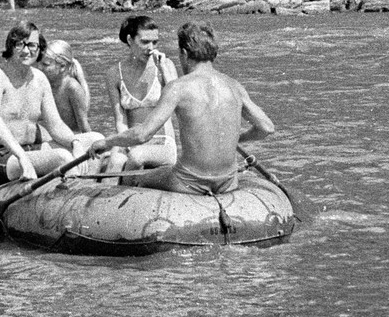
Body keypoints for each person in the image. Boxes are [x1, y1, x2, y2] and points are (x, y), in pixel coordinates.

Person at [91, 21, 273, 195]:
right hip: (227, 183)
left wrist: (106, 143)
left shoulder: (178, 87)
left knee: (141, 178)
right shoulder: (234, 86)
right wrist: (235, 140)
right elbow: (266, 128)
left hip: (188, 182)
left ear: (184, 54)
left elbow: (142, 135)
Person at [0, 21, 100, 187]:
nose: (26, 51)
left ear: (39, 49)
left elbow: (55, 125)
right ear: (10, 47)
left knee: (95, 140)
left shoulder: (40, 78)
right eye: (20, 44)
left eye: (32, 45)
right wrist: (22, 158)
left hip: (31, 149)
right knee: (62, 157)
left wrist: (74, 143)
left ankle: (91, 191)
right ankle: (76, 192)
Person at [101, 15, 179, 175]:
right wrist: (125, 145)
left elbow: (180, 104)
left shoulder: (166, 65)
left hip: (163, 143)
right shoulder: (114, 74)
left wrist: (164, 70)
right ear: (130, 40)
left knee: (137, 158)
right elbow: (120, 121)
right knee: (115, 161)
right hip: (131, 140)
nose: (151, 47)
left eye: (155, 42)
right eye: (144, 42)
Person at [37, 39, 92, 133]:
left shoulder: (72, 88)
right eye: (40, 63)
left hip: (70, 138)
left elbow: (83, 125)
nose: (40, 68)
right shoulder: (44, 83)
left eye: (45, 64)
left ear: (62, 66)